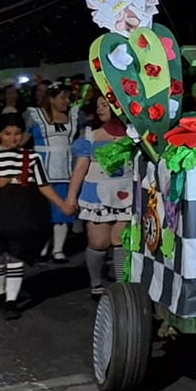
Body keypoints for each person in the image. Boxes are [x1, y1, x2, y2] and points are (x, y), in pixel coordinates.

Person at [0, 118, 75, 316]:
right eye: (8, 134)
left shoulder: (31, 158)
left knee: (16, 254)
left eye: (17, 134)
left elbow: (43, 185)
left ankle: (11, 302)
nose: (13, 138)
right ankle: (1, 293)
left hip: (22, 213)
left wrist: (62, 204)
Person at [65, 96, 135, 301]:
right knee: (98, 242)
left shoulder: (134, 135)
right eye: (98, 106)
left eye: (105, 105)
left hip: (126, 192)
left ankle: (122, 283)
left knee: (120, 239)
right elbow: (80, 168)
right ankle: (96, 283)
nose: (100, 110)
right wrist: (71, 197)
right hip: (95, 194)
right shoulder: (90, 137)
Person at [24, 85, 77, 262]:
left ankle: (58, 249)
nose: (67, 102)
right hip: (42, 171)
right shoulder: (35, 116)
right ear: (52, 98)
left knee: (62, 209)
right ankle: (42, 246)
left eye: (68, 98)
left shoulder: (74, 116)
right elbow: (22, 141)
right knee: (43, 210)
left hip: (65, 171)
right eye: (63, 97)